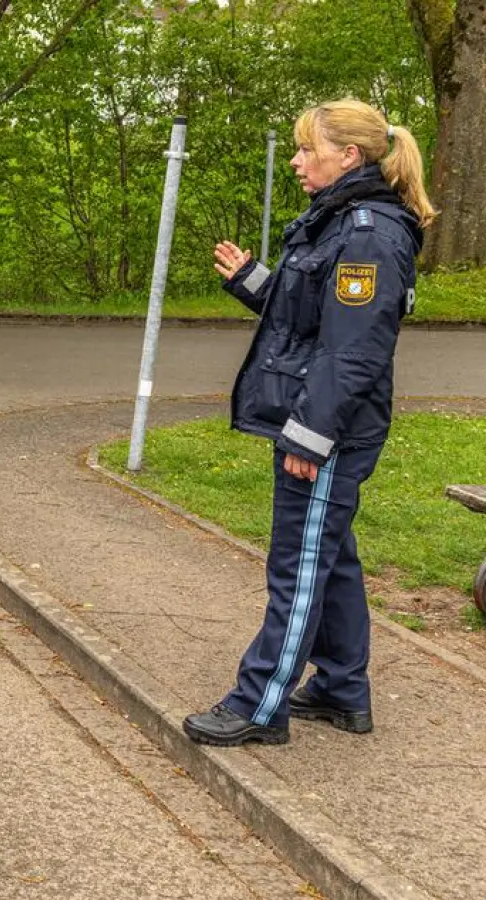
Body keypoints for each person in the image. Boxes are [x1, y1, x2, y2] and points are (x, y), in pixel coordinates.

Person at [185, 98, 435, 747]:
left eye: (307, 149)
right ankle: (343, 687)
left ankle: (260, 703)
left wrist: (311, 433)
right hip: (324, 416)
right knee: (333, 554)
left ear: (347, 155)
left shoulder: (367, 234)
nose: (296, 161)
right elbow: (310, 317)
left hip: (331, 428)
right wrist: (252, 280)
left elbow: (354, 352)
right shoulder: (339, 224)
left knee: (298, 566)